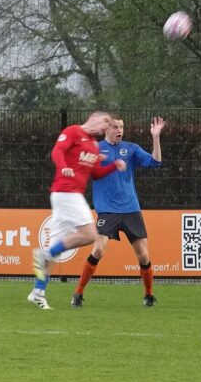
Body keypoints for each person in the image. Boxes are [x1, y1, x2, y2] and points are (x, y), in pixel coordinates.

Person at [29, 111, 126, 310]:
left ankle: (38, 291)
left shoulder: (92, 145)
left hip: (69, 195)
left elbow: (96, 174)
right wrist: (63, 167)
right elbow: (57, 151)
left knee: (56, 251)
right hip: (67, 192)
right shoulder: (73, 131)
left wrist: (113, 166)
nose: (103, 130)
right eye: (104, 125)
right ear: (95, 119)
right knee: (91, 234)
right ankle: (44, 253)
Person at [71, 117, 164, 308]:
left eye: (121, 126)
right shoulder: (95, 148)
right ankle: (78, 293)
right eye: (115, 127)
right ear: (106, 129)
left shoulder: (131, 149)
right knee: (98, 249)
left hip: (131, 210)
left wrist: (156, 138)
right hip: (107, 211)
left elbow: (155, 162)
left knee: (144, 256)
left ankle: (148, 296)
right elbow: (79, 168)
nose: (119, 130)